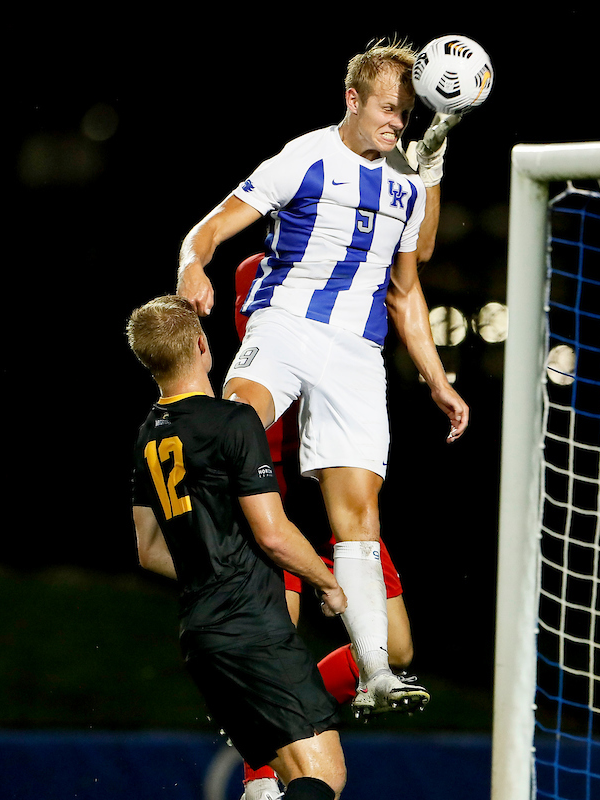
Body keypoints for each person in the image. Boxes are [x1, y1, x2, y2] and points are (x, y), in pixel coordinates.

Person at [175, 37, 467, 724]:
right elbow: (215, 226)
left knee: (359, 516)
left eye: (408, 114)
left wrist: (436, 377)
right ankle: (219, 605)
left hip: (355, 354)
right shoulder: (305, 157)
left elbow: (407, 288)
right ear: (353, 99)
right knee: (231, 429)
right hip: (283, 325)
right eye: (390, 111)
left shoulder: (403, 181)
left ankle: (374, 674)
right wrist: (194, 264)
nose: (399, 123)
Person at [128, 295, 349, 800]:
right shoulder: (233, 420)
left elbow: (148, 549)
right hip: (252, 630)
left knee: (287, 782)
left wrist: (210, 569)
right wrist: (328, 583)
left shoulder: (147, 436)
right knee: (324, 777)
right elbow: (273, 534)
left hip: (201, 637)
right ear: (203, 346)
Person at [233, 253, 421, 800]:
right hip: (279, 502)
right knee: (276, 648)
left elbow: (413, 265)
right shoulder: (261, 275)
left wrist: (426, 181)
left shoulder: (355, 263)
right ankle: (257, 773)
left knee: (397, 649)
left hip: (340, 500)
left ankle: (284, 710)